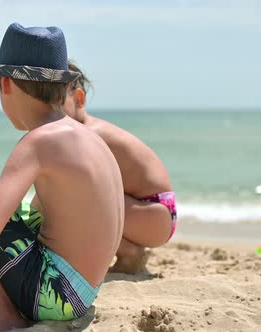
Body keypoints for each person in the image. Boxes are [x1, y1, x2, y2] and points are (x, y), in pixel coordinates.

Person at [0, 23, 124, 331]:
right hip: (83, 290)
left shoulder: (38, 142)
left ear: (5, 84)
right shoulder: (85, 135)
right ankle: (1, 305)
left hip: (54, 294)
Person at [60, 61, 177, 274]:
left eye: (56, 103)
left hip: (155, 213)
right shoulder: (82, 130)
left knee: (71, 196)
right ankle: (128, 248)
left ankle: (129, 252)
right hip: (144, 211)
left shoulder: (90, 134)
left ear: (78, 99)